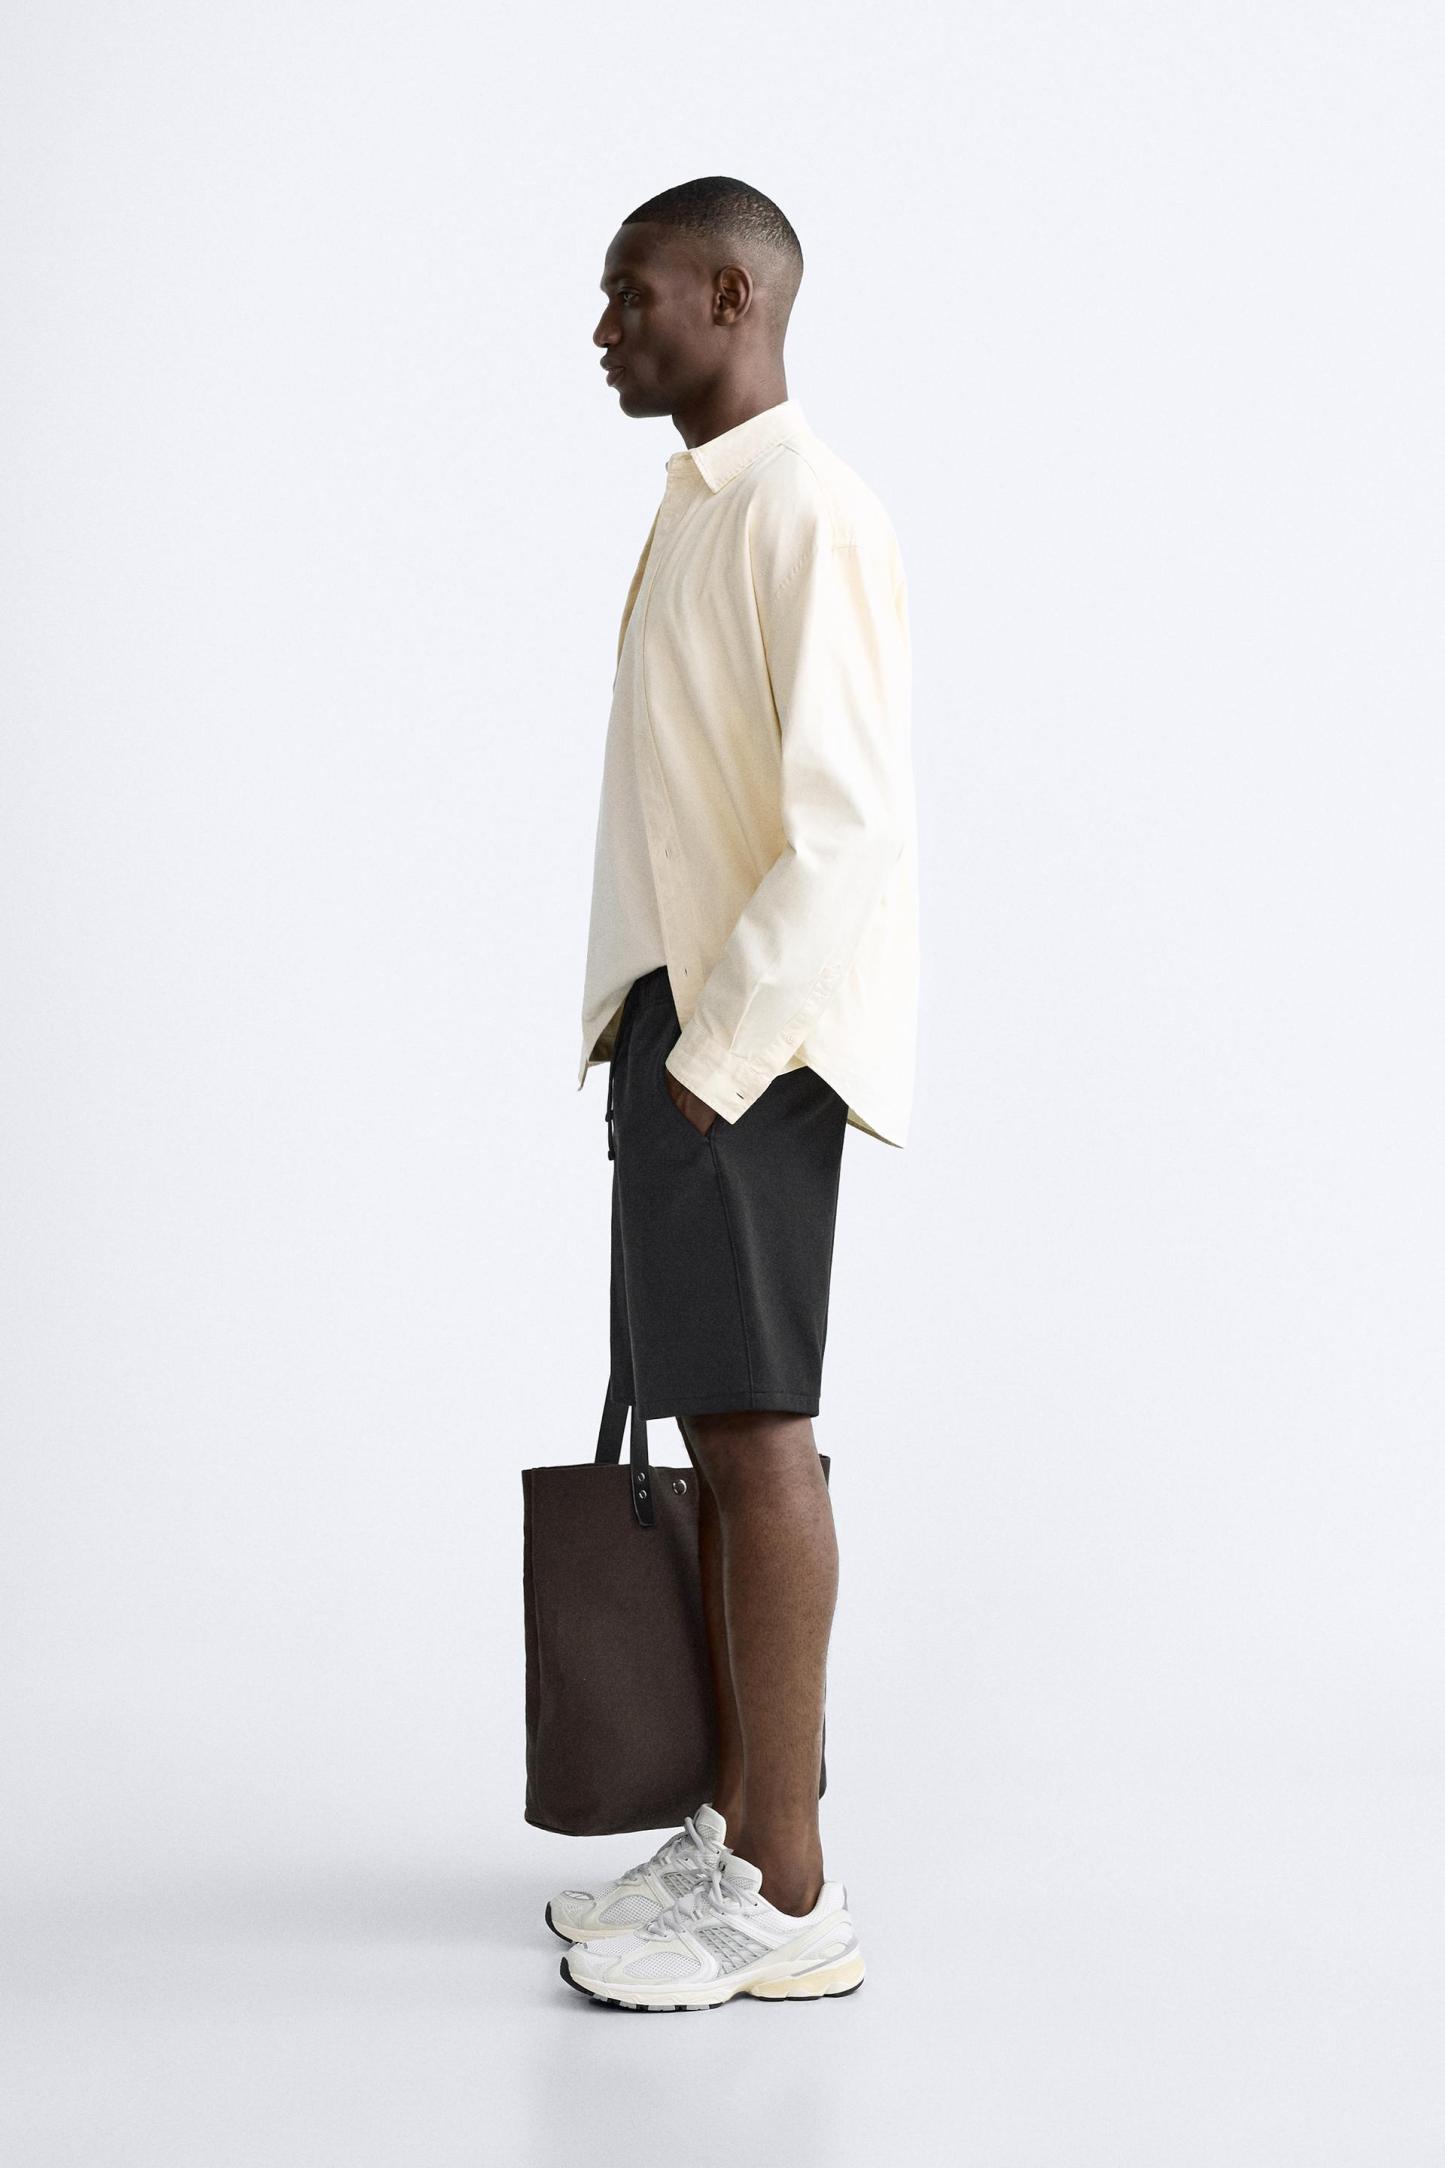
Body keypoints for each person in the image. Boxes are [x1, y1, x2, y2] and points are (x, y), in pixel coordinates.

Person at [552, 176, 918, 2012]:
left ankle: (788, 1896)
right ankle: (731, 1822)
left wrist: (710, 1061)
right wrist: (653, 1042)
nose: (601, 329)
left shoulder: (802, 508)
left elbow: (848, 830)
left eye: (629, 294)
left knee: (760, 1440)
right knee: (714, 1439)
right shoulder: (701, 506)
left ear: (726, 293)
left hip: (743, 1053)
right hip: (683, 1038)